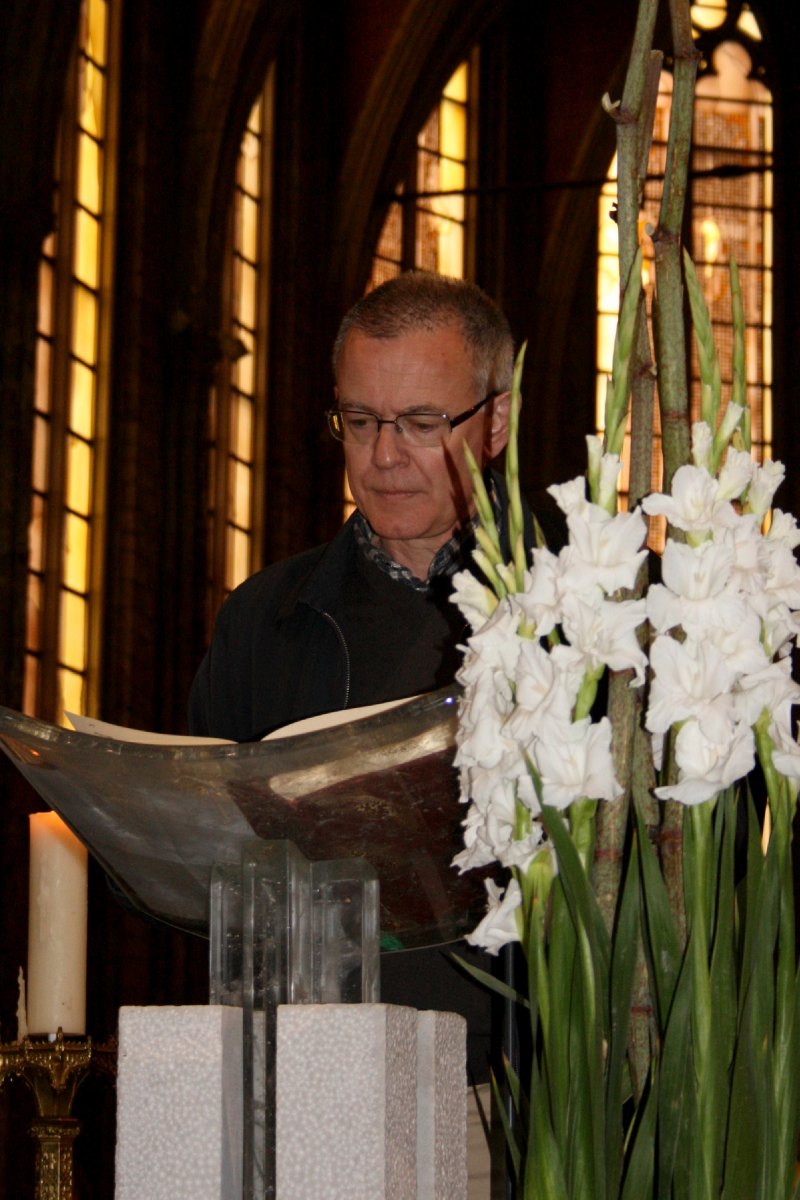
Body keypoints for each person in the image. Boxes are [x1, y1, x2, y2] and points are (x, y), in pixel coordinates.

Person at [189, 270, 557, 1098]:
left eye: (423, 423)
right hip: (316, 1084)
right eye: (359, 422)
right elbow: (210, 873)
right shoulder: (265, 621)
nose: (383, 455)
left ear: (497, 420)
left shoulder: (583, 604)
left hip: (522, 1094)